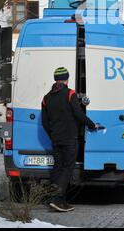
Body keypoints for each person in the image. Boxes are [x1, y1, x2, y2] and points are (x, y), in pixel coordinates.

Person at [41, 67, 98, 212]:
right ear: (66, 79)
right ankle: (56, 198)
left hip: (56, 139)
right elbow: (78, 115)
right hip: (70, 139)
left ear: (55, 79)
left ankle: (61, 201)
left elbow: (44, 122)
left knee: (57, 169)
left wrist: (52, 135)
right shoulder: (70, 94)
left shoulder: (46, 98)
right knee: (67, 168)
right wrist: (92, 125)